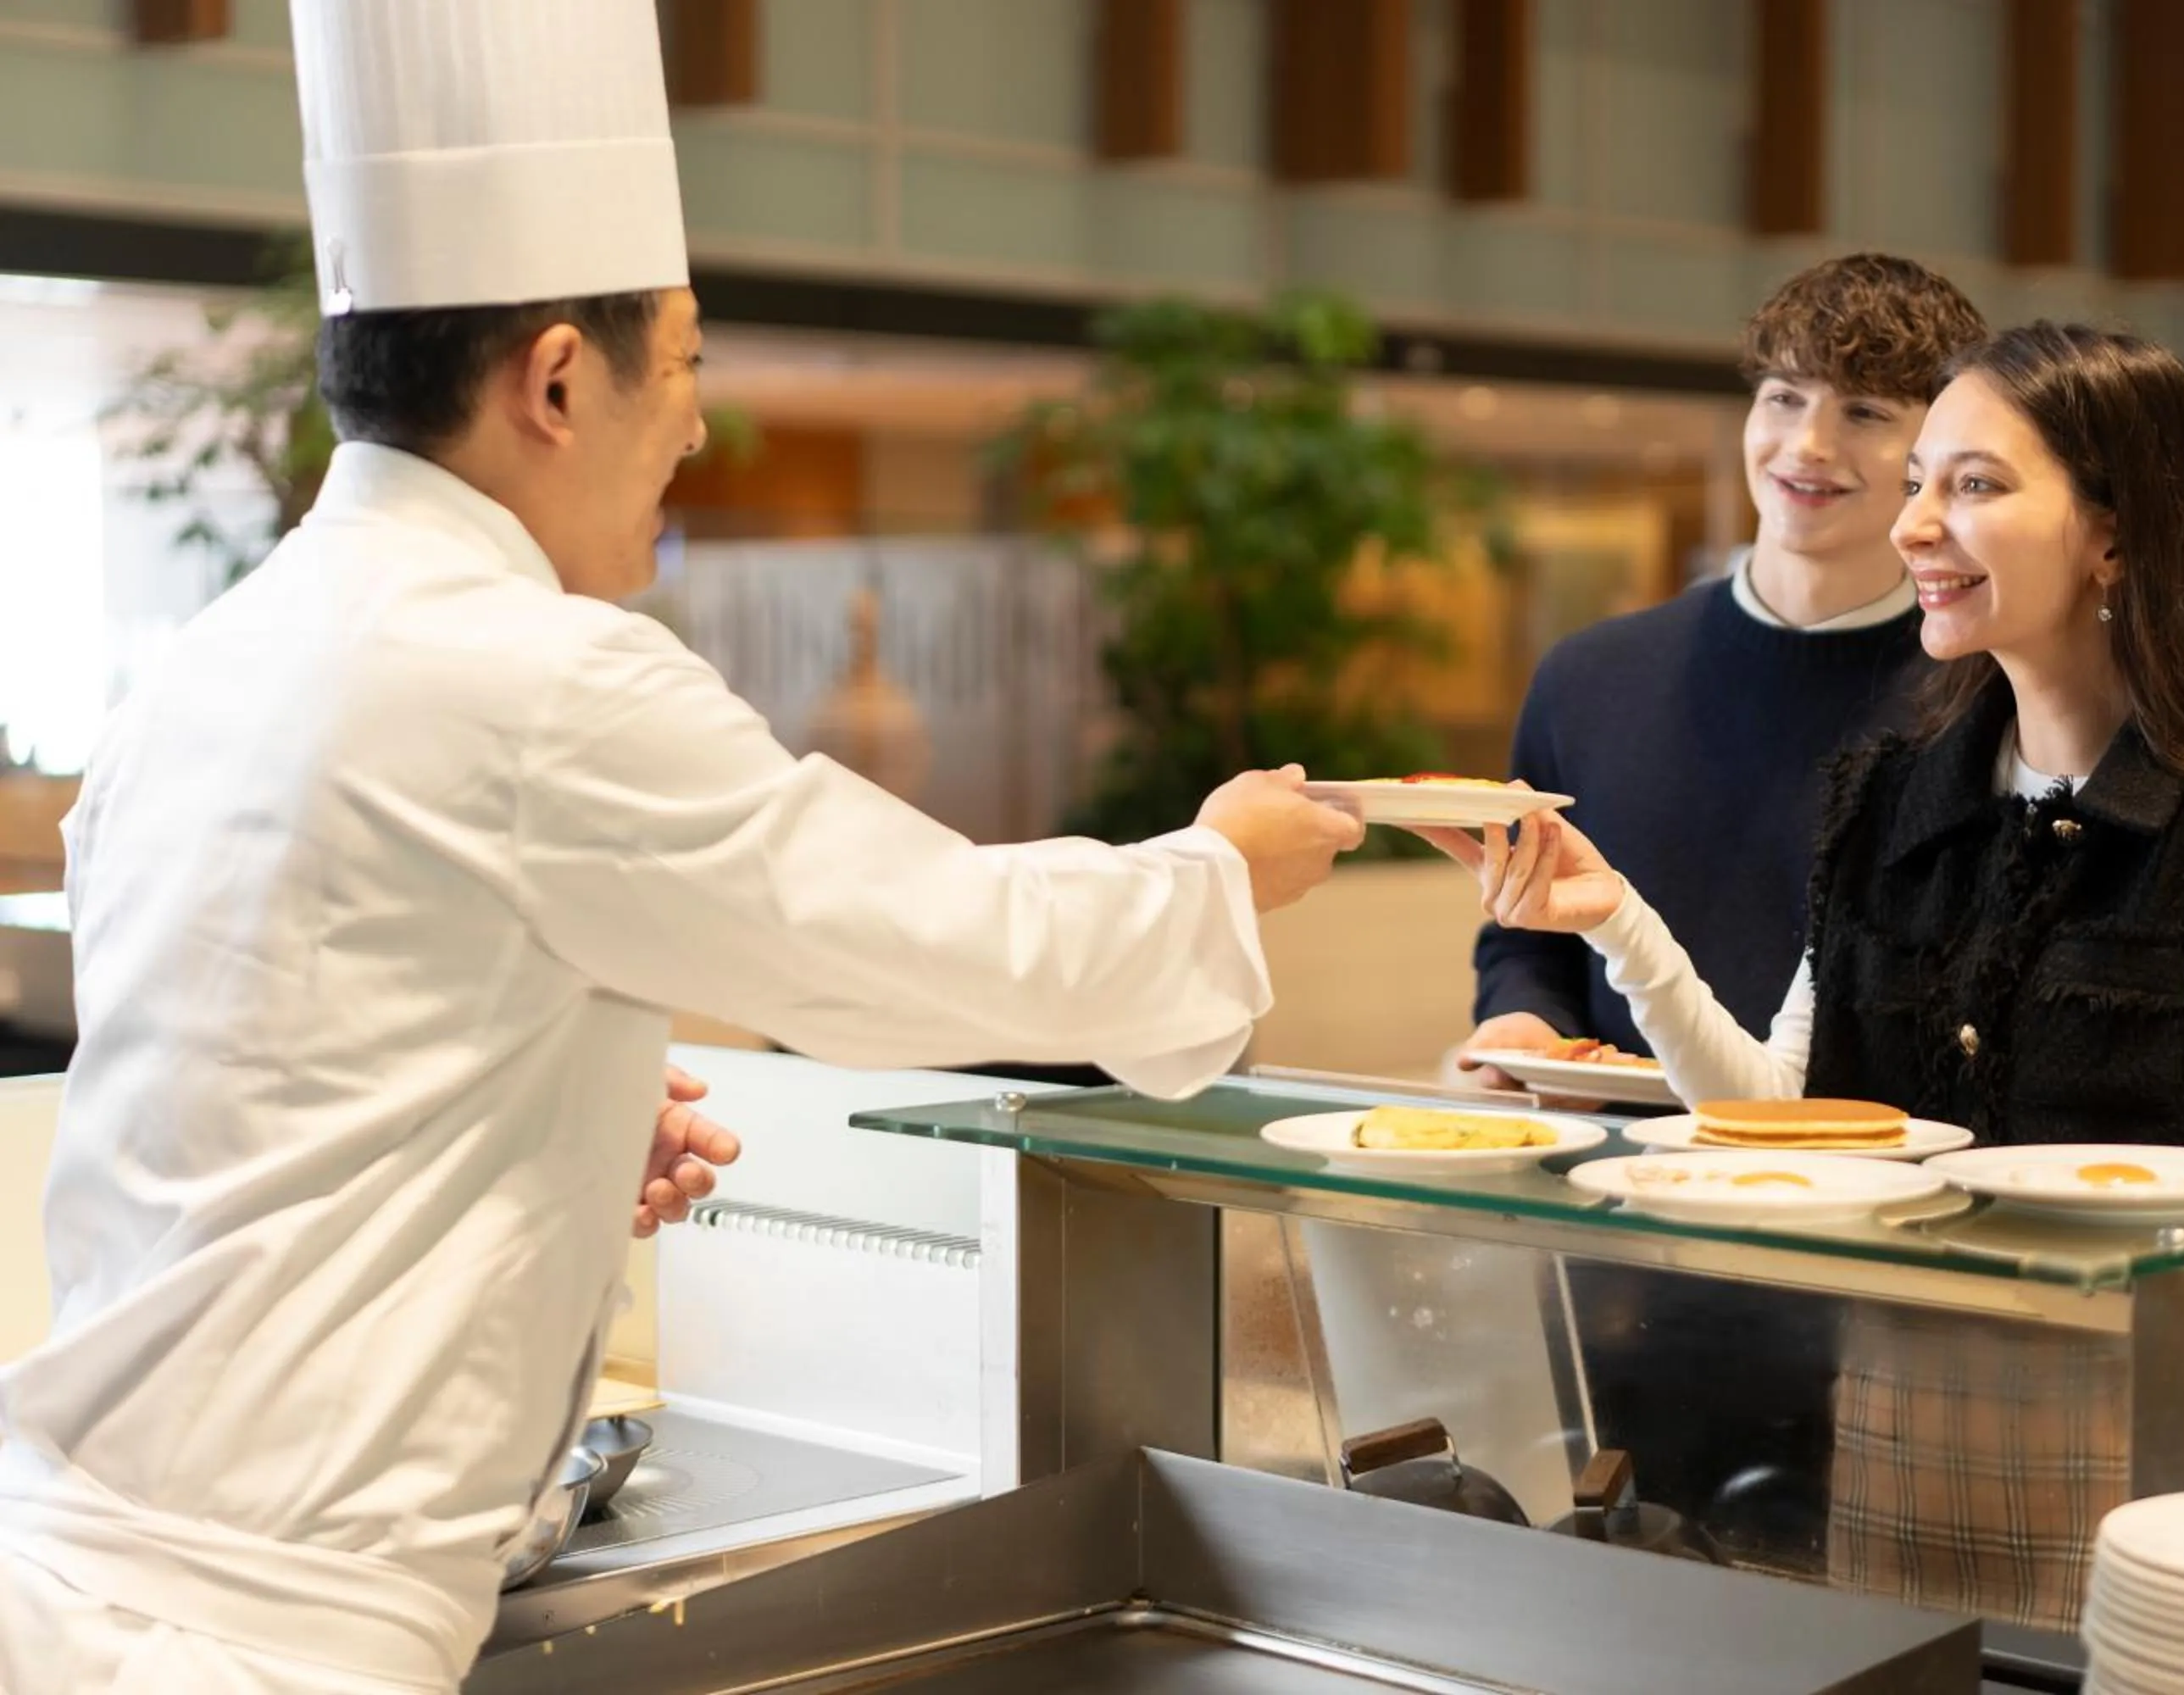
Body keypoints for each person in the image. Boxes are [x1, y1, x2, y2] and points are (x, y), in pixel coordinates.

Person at [0, 4, 1360, 1692]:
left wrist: (531, 1098)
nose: (701, 430)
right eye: (692, 364)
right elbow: (921, 938)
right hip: (265, 1646)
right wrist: (1216, 870)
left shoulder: (210, 661)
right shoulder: (541, 676)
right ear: (561, 377)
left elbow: (253, 1072)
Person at [1427, 322, 2184, 1628]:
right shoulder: (1888, 801)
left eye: (1976, 487)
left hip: (2175, 1466)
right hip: (1897, 1430)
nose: (1914, 528)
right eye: (1921, 485)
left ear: (2116, 536)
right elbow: (1783, 1114)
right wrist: (1616, 922)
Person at [1450, 255, 1985, 1556]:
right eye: (1784, 397)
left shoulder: (1975, 699)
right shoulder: (1593, 677)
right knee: (1614, 1589)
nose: (1808, 444)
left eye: (1865, 413)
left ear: (1934, 451)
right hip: (1615, 1249)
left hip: (1884, 1267)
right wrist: (1515, 1028)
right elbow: (1524, 933)